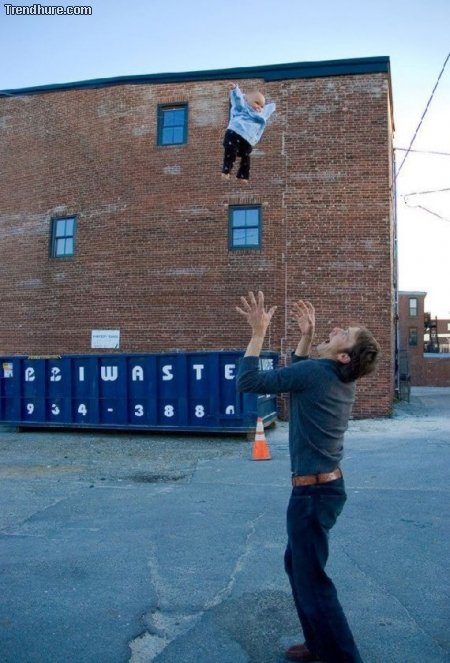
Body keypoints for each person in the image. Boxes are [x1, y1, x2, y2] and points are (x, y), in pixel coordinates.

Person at [236, 291, 380, 663]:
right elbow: (299, 376)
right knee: (298, 567)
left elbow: (249, 382)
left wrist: (258, 333)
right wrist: (306, 336)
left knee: (312, 580)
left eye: (343, 333)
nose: (335, 329)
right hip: (325, 489)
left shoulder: (318, 373)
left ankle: (343, 657)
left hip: (313, 495)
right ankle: (318, 644)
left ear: (344, 356)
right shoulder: (335, 376)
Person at [221, 83, 276, 183]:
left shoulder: (260, 115)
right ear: (247, 100)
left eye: (261, 106)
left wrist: (273, 106)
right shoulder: (242, 107)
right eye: (256, 103)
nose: (259, 107)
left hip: (247, 140)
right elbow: (237, 99)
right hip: (234, 133)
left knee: (246, 157)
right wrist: (235, 90)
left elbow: (268, 110)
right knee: (230, 152)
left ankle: (243, 176)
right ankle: (226, 171)